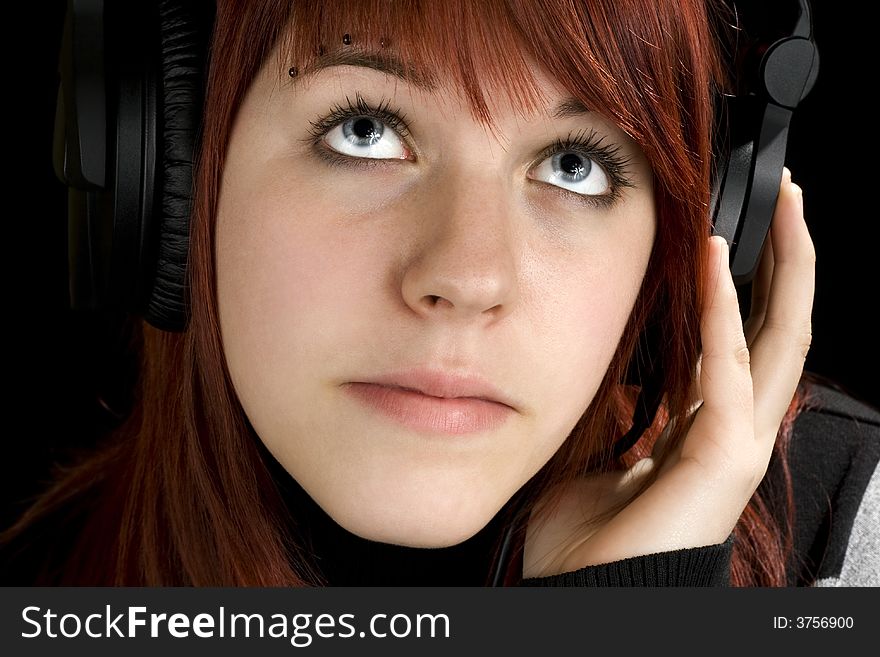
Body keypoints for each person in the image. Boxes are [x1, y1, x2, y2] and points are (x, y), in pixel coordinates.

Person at [2, 0, 877, 587]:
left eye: (573, 165)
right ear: (169, 178)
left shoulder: (853, 540)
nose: (467, 278)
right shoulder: (40, 573)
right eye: (367, 130)